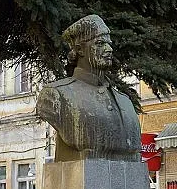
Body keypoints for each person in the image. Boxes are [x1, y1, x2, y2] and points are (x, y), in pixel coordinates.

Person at [36, 14, 141, 162]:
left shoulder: (125, 102)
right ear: (80, 50)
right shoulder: (55, 95)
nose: (109, 49)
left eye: (109, 44)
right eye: (100, 43)